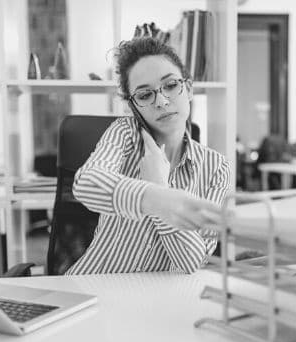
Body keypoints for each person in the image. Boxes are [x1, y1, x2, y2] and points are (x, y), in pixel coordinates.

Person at [65, 37, 230, 275]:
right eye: (144, 95)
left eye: (171, 85)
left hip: (155, 297)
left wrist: (160, 186)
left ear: (189, 89)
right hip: (94, 284)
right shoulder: (125, 133)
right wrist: (159, 199)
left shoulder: (216, 167)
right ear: (133, 106)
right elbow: (87, 183)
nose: (162, 102)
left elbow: (193, 261)